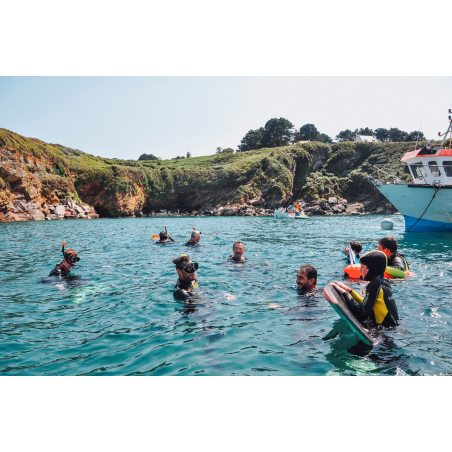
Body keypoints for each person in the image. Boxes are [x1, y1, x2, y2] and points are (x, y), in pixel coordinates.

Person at [324, 250, 398, 327]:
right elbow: (366, 304)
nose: (360, 270)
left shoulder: (375, 284)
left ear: (372, 269)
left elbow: (361, 314)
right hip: (393, 328)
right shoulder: (383, 282)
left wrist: (344, 293)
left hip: (384, 333)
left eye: (362, 267)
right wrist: (350, 291)